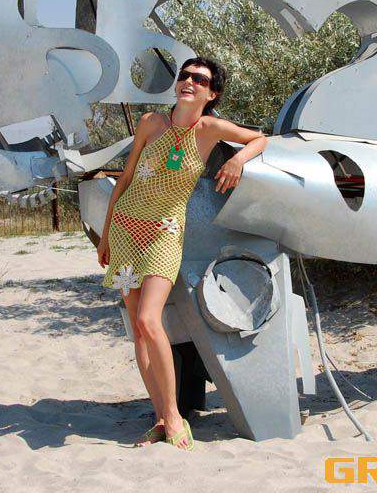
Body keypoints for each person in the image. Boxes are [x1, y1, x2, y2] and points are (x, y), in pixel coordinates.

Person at [96, 57, 268, 450]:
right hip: (126, 229)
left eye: (199, 79)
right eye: (184, 76)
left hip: (164, 234)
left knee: (149, 319)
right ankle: (160, 418)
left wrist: (237, 160)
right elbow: (125, 179)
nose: (189, 81)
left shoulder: (209, 129)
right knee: (138, 329)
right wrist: (105, 235)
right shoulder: (150, 123)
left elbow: (259, 139)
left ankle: (174, 415)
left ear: (212, 93)